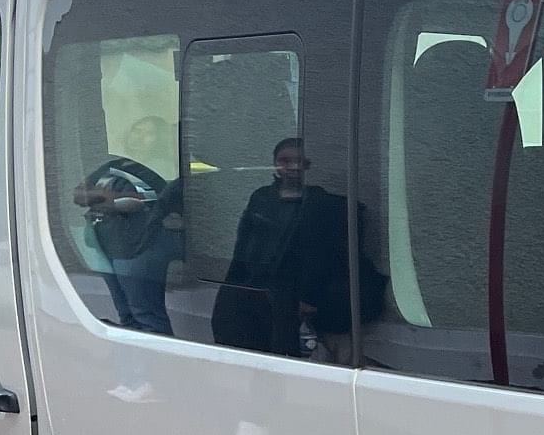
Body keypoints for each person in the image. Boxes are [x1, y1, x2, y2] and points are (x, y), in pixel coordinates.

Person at [212, 138, 382, 359]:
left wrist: (309, 298)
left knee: (283, 356)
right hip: (252, 290)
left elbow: (325, 256)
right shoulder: (261, 197)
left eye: (299, 161)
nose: (292, 167)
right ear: (274, 165)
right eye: (285, 161)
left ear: (309, 166)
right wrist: (231, 287)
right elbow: (243, 244)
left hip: (291, 297)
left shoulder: (321, 203)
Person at [73, 157, 184, 336]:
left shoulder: (147, 171)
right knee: (126, 315)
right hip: (104, 246)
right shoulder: (111, 165)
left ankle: (158, 360)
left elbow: (140, 201)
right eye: (136, 131)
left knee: (146, 315)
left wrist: (103, 199)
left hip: (139, 246)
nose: (141, 137)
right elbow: (78, 195)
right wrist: (105, 197)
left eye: (148, 134)